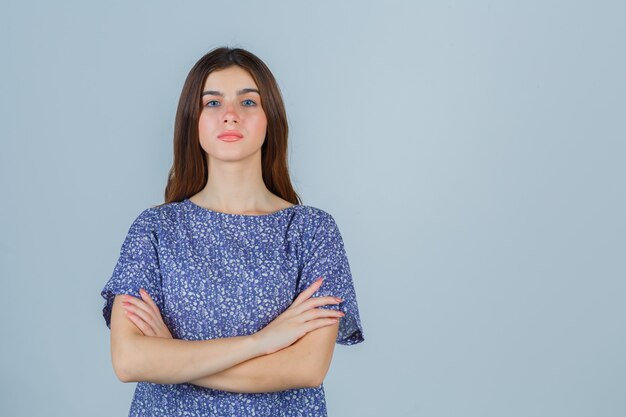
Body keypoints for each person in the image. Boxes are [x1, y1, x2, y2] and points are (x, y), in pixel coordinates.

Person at [100, 46, 365, 417]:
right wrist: (262, 342)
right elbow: (129, 360)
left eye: (248, 102)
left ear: (270, 117)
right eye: (212, 103)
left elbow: (306, 368)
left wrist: (175, 360)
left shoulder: (312, 231)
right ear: (191, 120)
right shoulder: (155, 230)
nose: (229, 115)